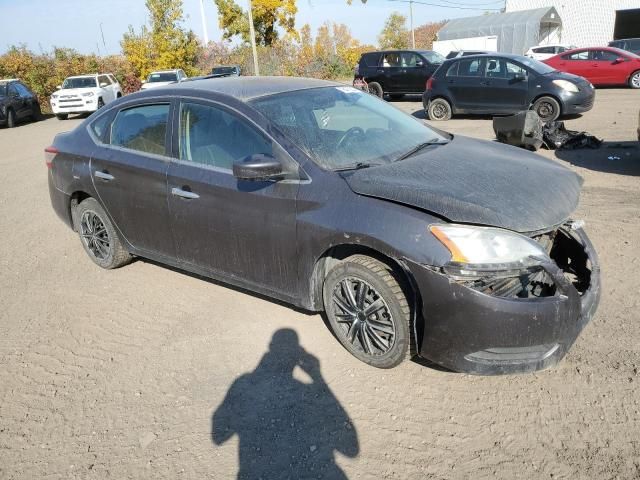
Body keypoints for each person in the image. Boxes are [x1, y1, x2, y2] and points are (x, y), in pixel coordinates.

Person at [212, 329, 359, 479]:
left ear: (270, 346)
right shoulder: (305, 391)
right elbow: (351, 449)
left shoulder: (243, 383)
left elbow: (218, 436)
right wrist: (317, 376)